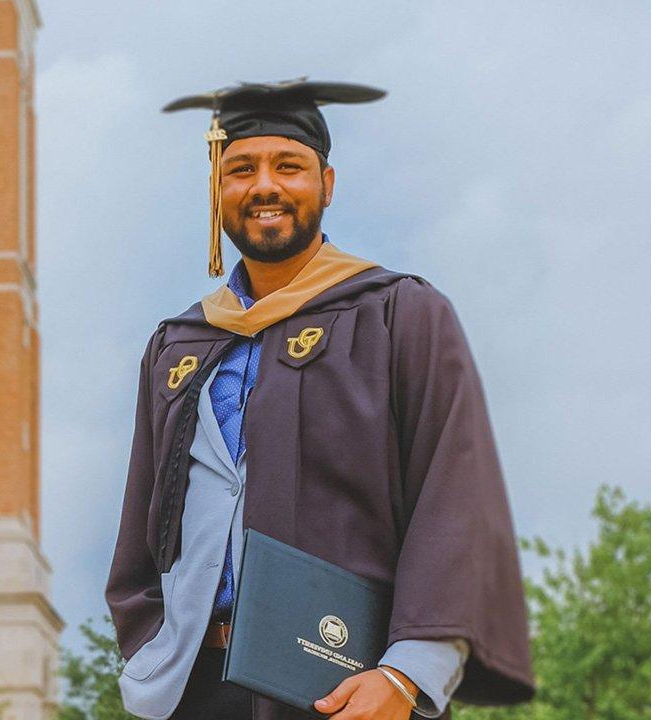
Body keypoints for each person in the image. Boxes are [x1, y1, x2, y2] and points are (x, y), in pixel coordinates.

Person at [104, 79, 535, 720]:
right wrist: (143, 649)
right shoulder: (179, 343)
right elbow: (145, 511)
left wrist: (408, 674)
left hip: (347, 684)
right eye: (240, 169)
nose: (265, 186)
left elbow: (456, 494)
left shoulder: (400, 315)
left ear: (326, 184)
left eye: (289, 166)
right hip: (191, 686)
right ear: (217, 189)